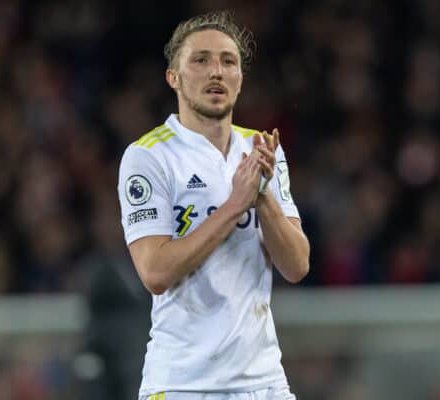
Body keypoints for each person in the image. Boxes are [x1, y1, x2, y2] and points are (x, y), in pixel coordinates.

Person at [117, 10, 310, 400]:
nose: (216, 72)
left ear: (240, 78)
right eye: (200, 60)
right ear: (174, 77)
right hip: (183, 384)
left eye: (228, 61)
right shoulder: (149, 157)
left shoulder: (261, 148)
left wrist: (261, 197)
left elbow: (297, 265)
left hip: (264, 382)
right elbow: (155, 272)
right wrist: (234, 207)